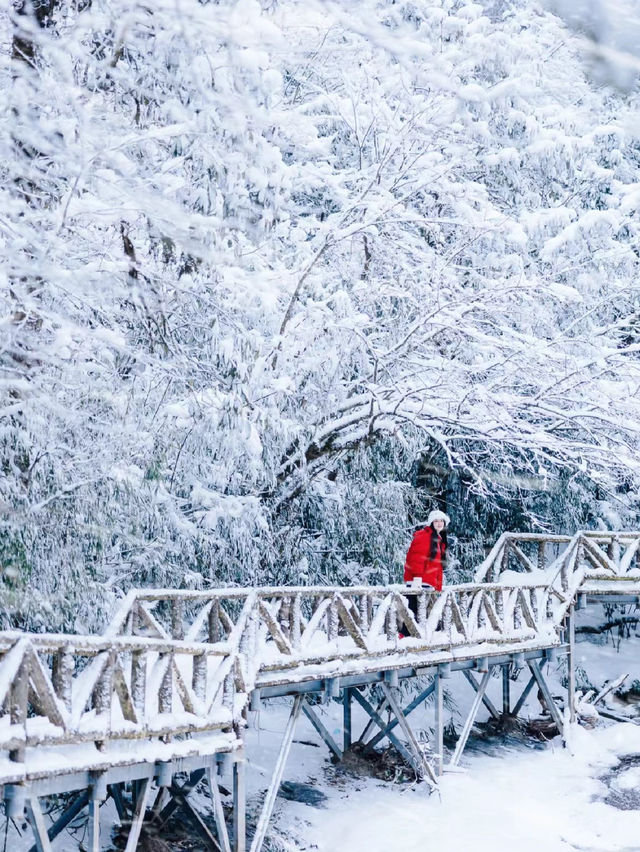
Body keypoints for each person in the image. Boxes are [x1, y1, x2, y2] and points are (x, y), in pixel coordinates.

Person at [399, 509, 450, 637]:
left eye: (441, 521)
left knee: (422, 612)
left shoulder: (438, 539)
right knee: (413, 612)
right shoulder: (424, 536)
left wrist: (438, 585)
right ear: (431, 523)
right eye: (436, 521)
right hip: (419, 581)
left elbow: (437, 566)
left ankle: (418, 638)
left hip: (427, 582)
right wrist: (417, 579)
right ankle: (405, 639)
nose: (439, 523)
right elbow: (416, 559)